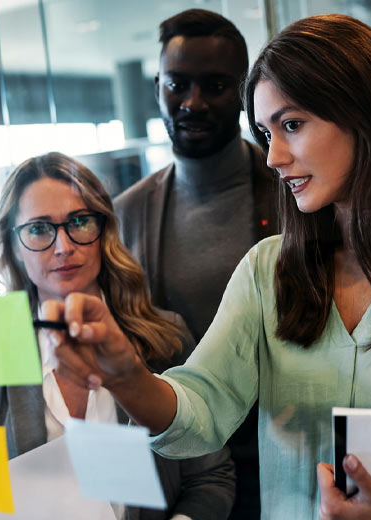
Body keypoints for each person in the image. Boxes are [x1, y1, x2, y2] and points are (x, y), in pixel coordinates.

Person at [46, 14, 371, 519]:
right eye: (266, 133)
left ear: (367, 115)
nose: (273, 157)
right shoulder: (267, 270)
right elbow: (201, 410)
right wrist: (126, 374)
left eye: (292, 124)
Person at [0, 151, 236, 520]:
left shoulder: (161, 338)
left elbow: (212, 477)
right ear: (13, 245)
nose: (63, 246)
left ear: (103, 231)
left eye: (79, 222)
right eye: (40, 228)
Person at [113, 10, 277, 517]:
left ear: (245, 93)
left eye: (216, 85)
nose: (193, 103)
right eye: (176, 84)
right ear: (158, 86)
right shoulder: (128, 213)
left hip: (277, 460)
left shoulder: (291, 195)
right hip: (184, 469)